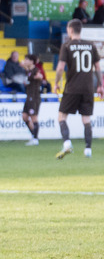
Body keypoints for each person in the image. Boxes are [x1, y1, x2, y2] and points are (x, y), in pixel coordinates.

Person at [54, 19, 103, 159]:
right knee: (86, 119)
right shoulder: (91, 45)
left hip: (72, 88)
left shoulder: (67, 45)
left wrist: (56, 83)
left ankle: (67, 143)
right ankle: (88, 149)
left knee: (62, 116)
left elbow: (60, 67)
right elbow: (97, 68)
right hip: (88, 88)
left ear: (70, 30)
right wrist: (100, 85)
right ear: (80, 30)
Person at [21, 54, 44, 146]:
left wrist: (38, 77)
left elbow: (40, 76)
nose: (25, 61)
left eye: (26, 59)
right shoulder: (28, 71)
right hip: (28, 96)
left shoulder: (35, 70)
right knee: (24, 117)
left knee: (34, 117)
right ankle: (33, 135)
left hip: (34, 97)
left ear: (31, 61)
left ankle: (35, 139)